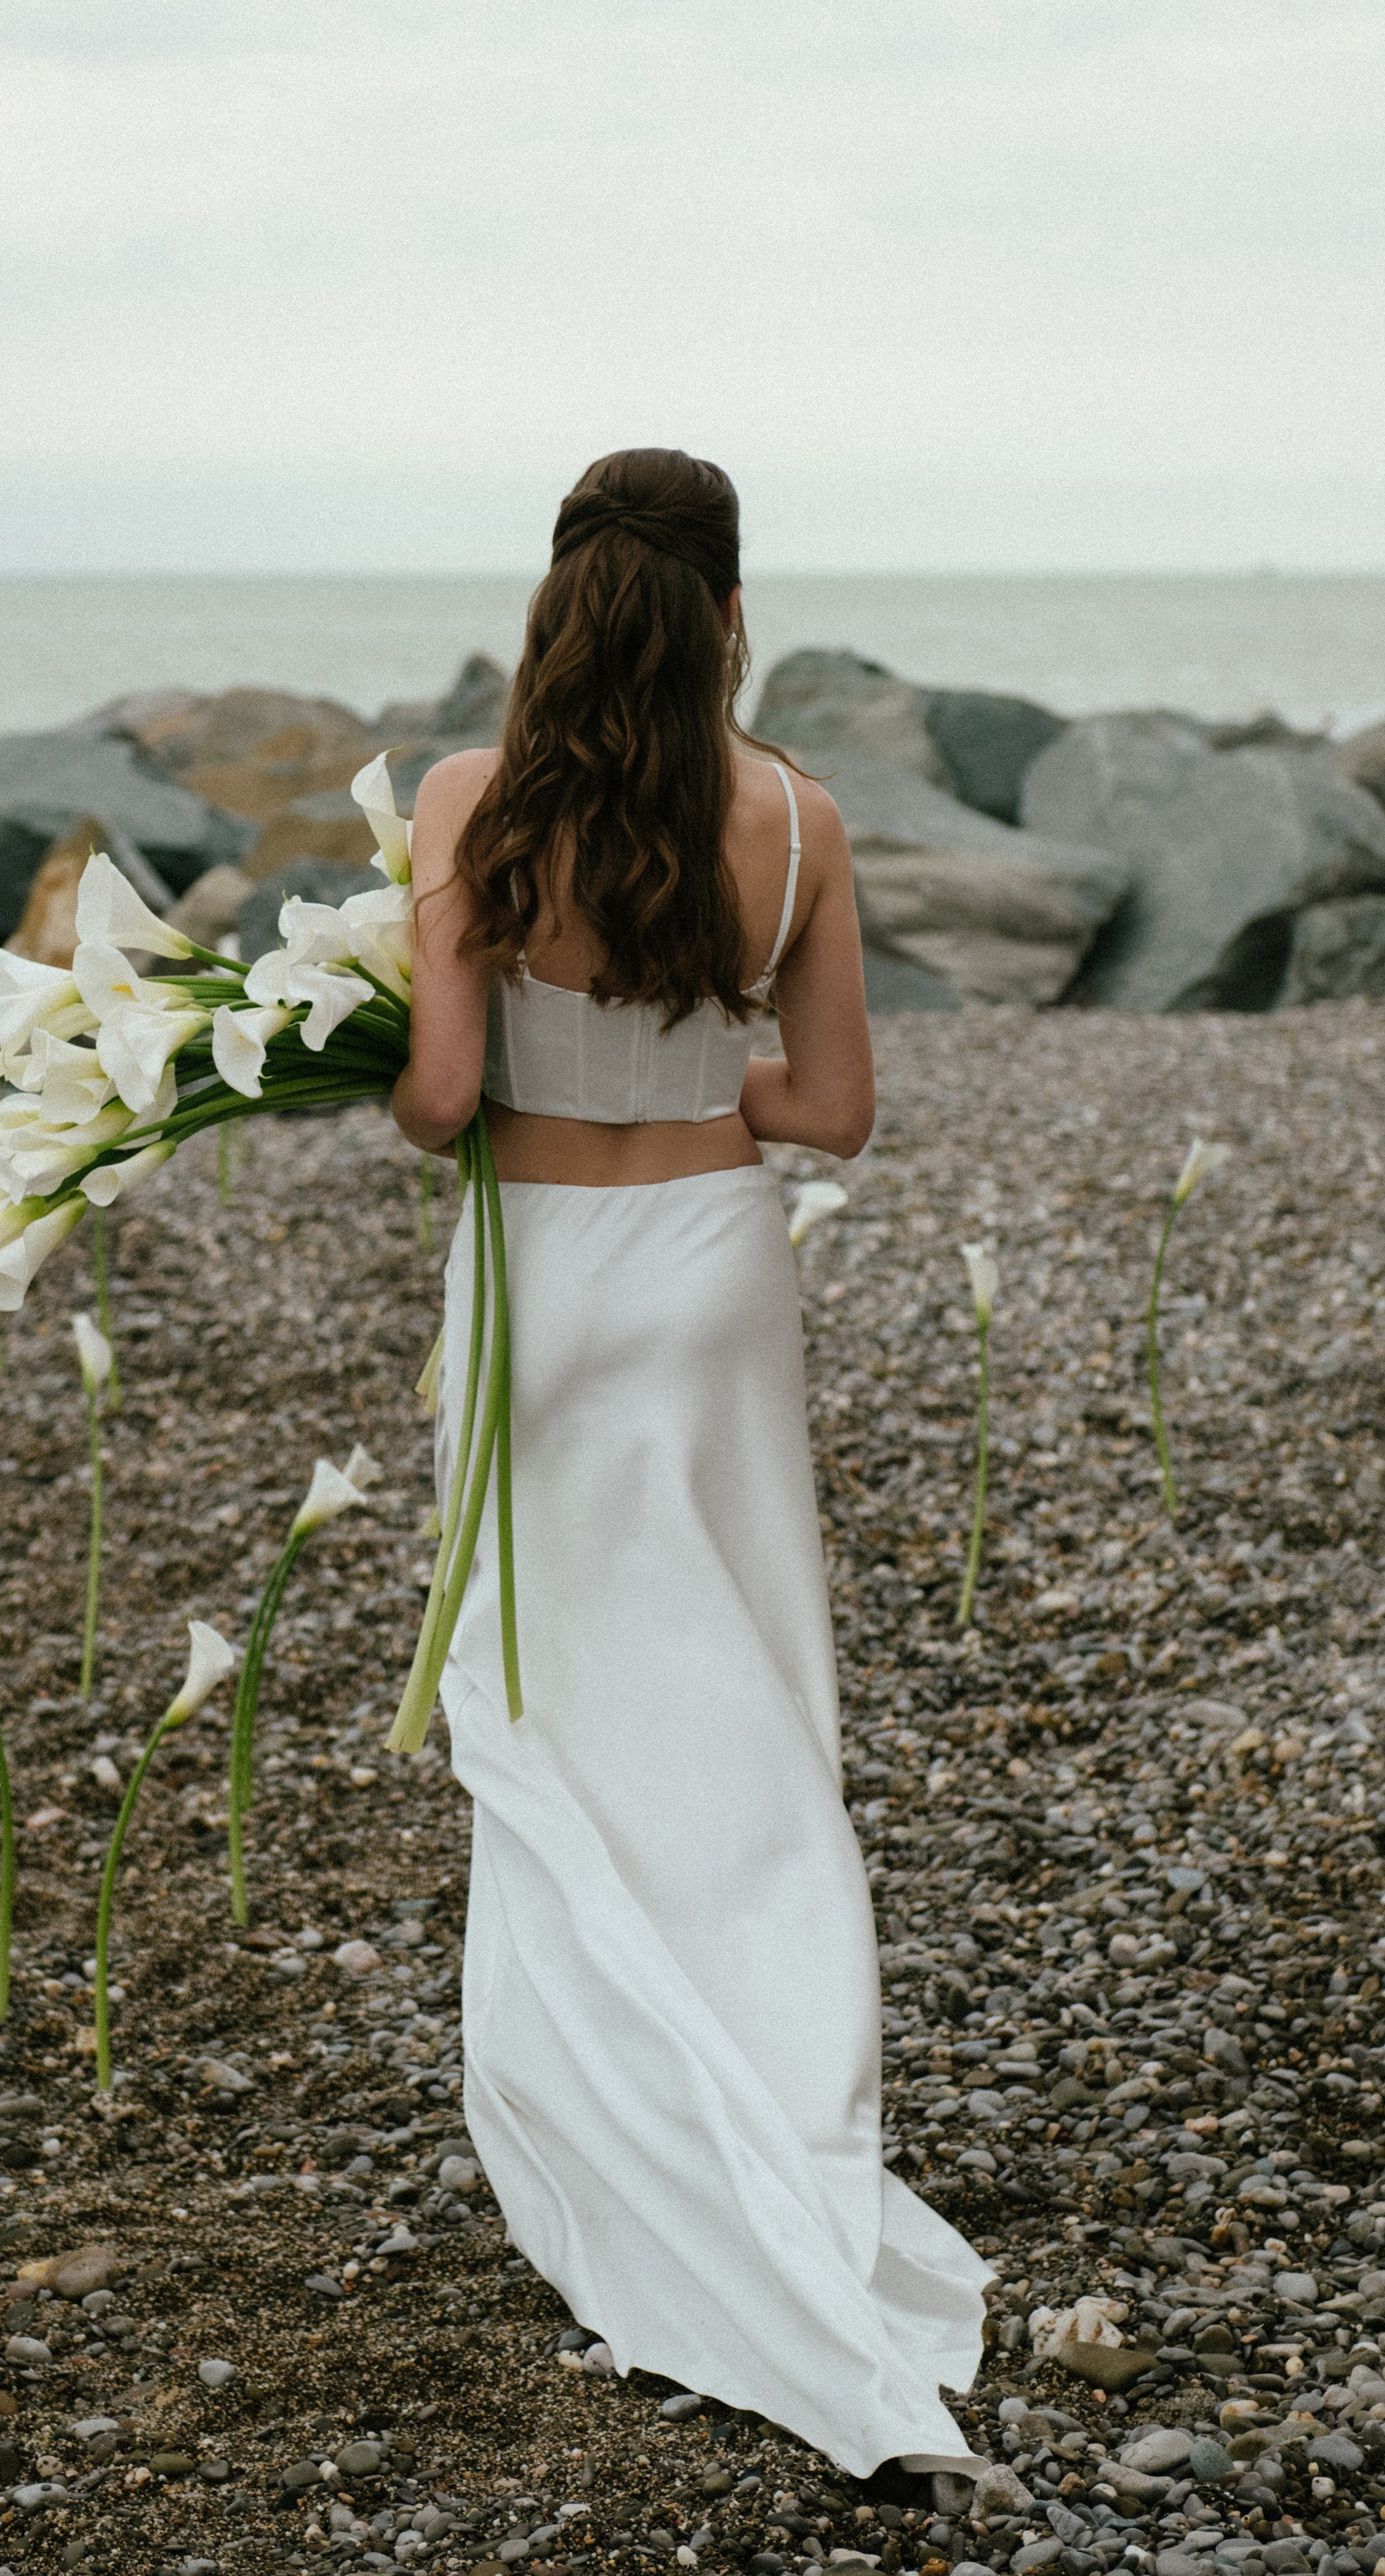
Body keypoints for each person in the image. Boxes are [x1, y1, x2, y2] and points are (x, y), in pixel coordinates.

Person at [390, 447, 989, 2485]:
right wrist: (684, 1066)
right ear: (730, 605)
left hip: (546, 1281)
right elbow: (833, 1107)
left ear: (558, 599)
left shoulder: (474, 804)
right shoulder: (796, 819)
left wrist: (380, 1032)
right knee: (741, 1679)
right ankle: (778, 2069)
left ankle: (612, 2091)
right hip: (714, 1274)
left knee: (557, 1683)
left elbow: (442, 1095)